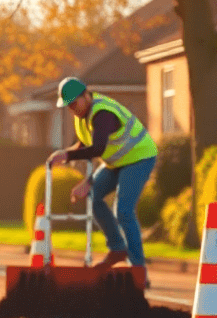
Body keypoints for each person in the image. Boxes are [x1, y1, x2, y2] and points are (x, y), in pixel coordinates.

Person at [46, 77, 159, 284]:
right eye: (68, 105)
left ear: (86, 95)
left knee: (123, 211)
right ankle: (117, 249)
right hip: (116, 163)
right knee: (92, 196)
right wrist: (66, 154)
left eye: (74, 103)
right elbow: (84, 144)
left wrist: (69, 157)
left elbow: (98, 149)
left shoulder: (102, 113)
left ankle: (138, 270)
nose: (72, 108)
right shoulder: (81, 116)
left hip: (139, 157)